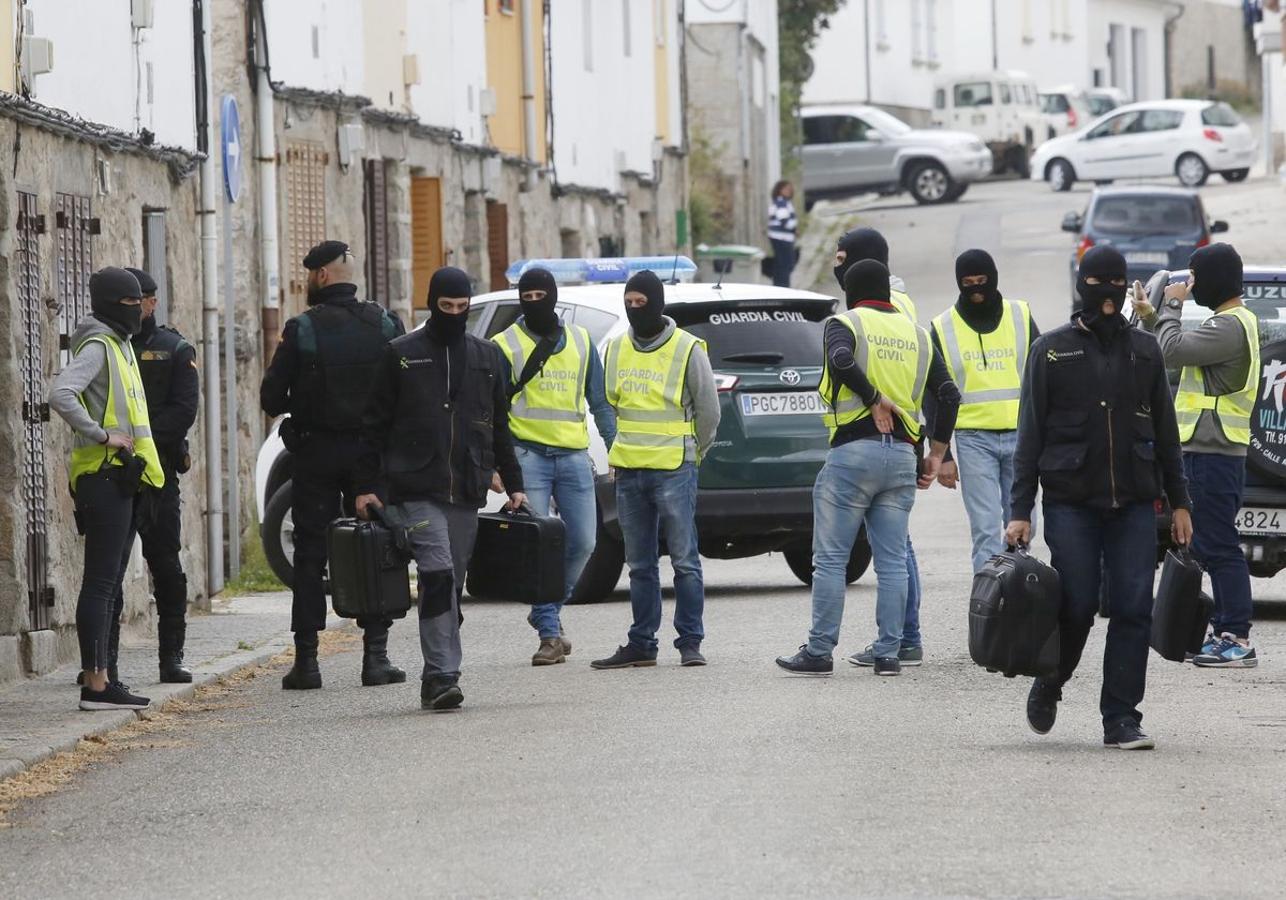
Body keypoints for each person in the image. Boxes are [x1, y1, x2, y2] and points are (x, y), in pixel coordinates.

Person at [1008, 245, 1192, 750]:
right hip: (1070, 501)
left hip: (1134, 501)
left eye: (1115, 282)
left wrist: (1180, 501)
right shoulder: (1051, 350)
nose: (1107, 294)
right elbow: (1029, 438)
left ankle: (1121, 718)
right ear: (1082, 286)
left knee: (1134, 607)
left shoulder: (1145, 349)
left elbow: (1166, 430)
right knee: (1078, 603)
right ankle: (1051, 682)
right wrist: (1019, 511)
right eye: (1097, 283)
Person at [776, 260, 960, 676]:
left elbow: (841, 361)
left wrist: (874, 396)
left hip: (853, 455)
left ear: (853, 292)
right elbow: (948, 394)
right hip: (900, 459)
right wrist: (936, 453)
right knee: (892, 560)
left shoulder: (847, 323)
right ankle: (889, 654)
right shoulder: (918, 335)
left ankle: (820, 651)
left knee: (831, 560)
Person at [356, 266, 526, 711]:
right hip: (414, 488)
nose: (454, 313)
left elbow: (500, 427)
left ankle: (437, 671)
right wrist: (367, 487)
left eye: (461, 307)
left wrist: (515, 484)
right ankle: (444, 673)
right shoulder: (401, 354)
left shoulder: (487, 357)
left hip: (466, 489)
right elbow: (372, 427)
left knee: (451, 587)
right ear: (431, 304)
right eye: (445, 307)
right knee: (437, 573)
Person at [260, 240, 405, 691]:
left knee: (309, 555)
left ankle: (307, 663)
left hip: (317, 454)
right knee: (375, 546)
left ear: (321, 276)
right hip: (370, 455)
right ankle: (375, 658)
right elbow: (402, 391)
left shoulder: (302, 328)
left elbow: (270, 398)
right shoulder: (384, 323)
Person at [1135, 243, 1259, 668]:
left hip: (1215, 453)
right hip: (1208, 451)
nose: (1190, 286)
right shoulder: (1226, 323)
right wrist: (1152, 316)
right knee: (1209, 544)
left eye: (1195, 278)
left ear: (1216, 279)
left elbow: (1172, 351)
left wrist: (1169, 305)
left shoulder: (1228, 326)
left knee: (1219, 545)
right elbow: (1174, 352)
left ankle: (1235, 636)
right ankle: (1225, 630)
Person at [591, 270, 720, 669]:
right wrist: (615, 447)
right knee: (640, 563)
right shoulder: (614, 350)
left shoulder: (686, 348)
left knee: (684, 559)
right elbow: (606, 406)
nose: (633, 310)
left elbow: (709, 412)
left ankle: (690, 642)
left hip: (673, 468)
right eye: (628, 303)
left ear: (657, 303)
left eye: (641, 303)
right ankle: (642, 643)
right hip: (629, 471)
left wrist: (692, 453)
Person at [49, 267, 164, 710]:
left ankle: (105, 678)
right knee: (100, 583)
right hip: (103, 475)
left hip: (122, 476)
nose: (140, 312)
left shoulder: (120, 345)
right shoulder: (99, 345)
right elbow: (61, 394)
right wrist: (101, 435)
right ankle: (95, 684)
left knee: (111, 582)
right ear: (116, 306)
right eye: (133, 305)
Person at [493, 267, 617, 665]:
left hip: (574, 456)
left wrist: (616, 450)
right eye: (526, 297)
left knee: (584, 542)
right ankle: (549, 632)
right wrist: (496, 464)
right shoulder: (503, 344)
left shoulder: (581, 341)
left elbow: (599, 402)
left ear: (553, 296)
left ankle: (545, 606)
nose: (534, 303)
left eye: (540, 296)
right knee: (540, 546)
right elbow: (491, 413)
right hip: (527, 456)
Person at [831, 227, 926, 665]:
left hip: (877, 436)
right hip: (901, 441)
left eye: (840, 257)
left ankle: (904, 636)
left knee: (892, 551)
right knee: (895, 550)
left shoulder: (876, 309)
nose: (834, 263)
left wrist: (874, 401)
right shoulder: (895, 302)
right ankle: (903, 639)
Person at [931, 250, 1039, 573]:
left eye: (982, 282)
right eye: (968, 284)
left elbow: (1043, 378)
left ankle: (1016, 594)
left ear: (994, 279)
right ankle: (991, 606)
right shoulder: (943, 326)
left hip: (1022, 437)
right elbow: (932, 395)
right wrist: (943, 453)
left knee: (1022, 527)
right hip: (973, 439)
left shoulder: (1020, 315)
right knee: (985, 530)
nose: (976, 290)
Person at [126, 267, 199, 683]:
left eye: (142, 300)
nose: (138, 309)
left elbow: (182, 412)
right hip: (115, 471)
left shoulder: (174, 348)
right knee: (108, 569)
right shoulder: (110, 347)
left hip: (158, 472)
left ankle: (171, 655)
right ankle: (101, 662)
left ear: (153, 302)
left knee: (166, 564)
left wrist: (140, 439)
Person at [767, 180, 798, 287]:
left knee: (783, 264)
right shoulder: (781, 202)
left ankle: (780, 285)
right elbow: (784, 219)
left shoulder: (783, 202)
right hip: (781, 237)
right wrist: (794, 229)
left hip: (783, 237)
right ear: (779, 190)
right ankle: (783, 286)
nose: (789, 191)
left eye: (790, 189)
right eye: (786, 189)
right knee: (786, 264)